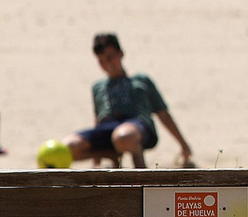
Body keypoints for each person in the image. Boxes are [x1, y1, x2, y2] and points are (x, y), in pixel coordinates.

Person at [63, 33, 194, 168]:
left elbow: (163, 114)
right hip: (107, 128)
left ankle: (140, 169)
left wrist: (183, 145)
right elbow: (98, 119)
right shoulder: (98, 87)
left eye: (110, 57)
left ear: (120, 54)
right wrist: (96, 162)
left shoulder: (141, 80)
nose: (107, 63)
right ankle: (111, 157)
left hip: (136, 126)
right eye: (101, 60)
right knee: (67, 147)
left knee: (123, 137)